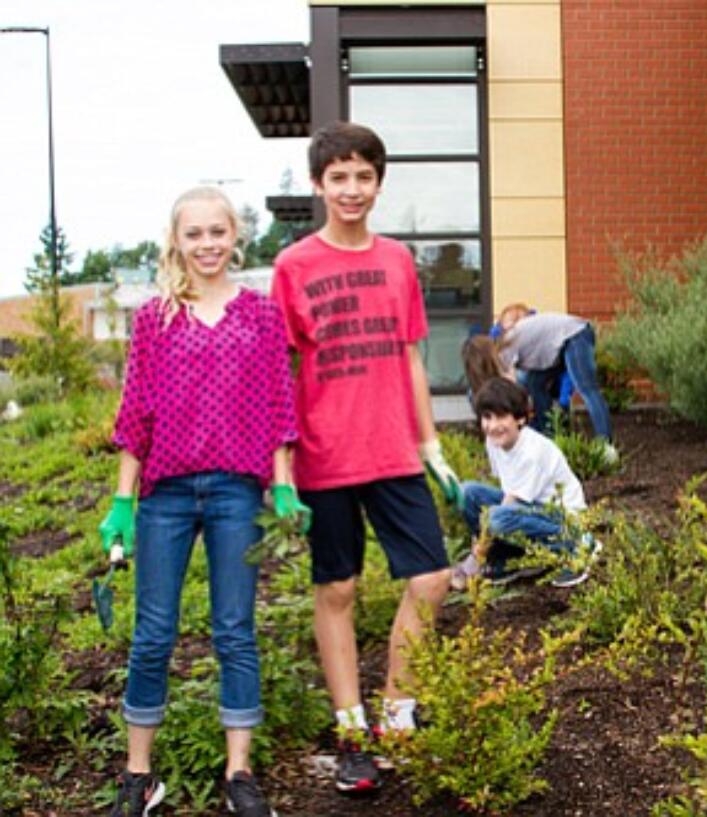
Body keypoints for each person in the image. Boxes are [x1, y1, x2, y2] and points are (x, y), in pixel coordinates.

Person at [269, 121, 463, 794]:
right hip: (324, 452)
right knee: (339, 587)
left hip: (393, 448)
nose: (352, 189)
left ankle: (397, 710)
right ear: (319, 184)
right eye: (338, 177)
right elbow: (281, 366)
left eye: (364, 176)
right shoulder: (293, 266)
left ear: (378, 183)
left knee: (433, 576)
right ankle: (352, 730)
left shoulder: (397, 261)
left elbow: (411, 353)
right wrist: (283, 466)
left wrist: (431, 442)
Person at [99, 186, 304, 817]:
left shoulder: (261, 314)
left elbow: (278, 405)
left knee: (235, 632)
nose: (207, 244)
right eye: (195, 234)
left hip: (235, 494)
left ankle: (238, 773)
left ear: (234, 235)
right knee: (153, 635)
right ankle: (140, 777)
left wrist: (283, 482)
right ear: (176, 241)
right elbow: (135, 414)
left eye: (218, 232)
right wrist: (123, 505)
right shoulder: (154, 318)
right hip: (164, 495)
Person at [449, 377, 599, 590]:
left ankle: (579, 546)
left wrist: (477, 553)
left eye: (501, 417)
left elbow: (510, 503)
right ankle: (504, 560)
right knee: (467, 494)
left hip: (564, 519)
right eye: (487, 417)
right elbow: (506, 491)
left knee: (496, 518)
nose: (493, 426)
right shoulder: (494, 442)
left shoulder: (532, 451)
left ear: (520, 418)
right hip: (530, 511)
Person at [495, 304, 617, 462]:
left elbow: (510, 385)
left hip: (575, 335)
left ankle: (606, 447)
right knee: (534, 383)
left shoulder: (506, 345)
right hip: (561, 345)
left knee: (587, 389)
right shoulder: (512, 339)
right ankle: (550, 436)